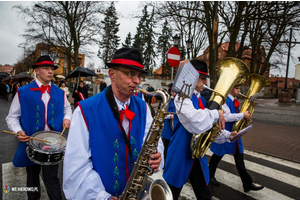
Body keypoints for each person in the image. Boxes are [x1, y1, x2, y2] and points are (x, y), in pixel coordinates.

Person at [63, 47, 164, 200]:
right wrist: (101, 197)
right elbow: (76, 167)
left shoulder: (143, 107)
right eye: (130, 74)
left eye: (139, 75)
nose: (137, 81)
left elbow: (153, 141)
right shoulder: (84, 110)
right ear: (112, 74)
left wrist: (157, 155)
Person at [163, 59, 238, 200]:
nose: (205, 82)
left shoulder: (203, 101)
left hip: (197, 155)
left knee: (205, 195)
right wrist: (217, 114)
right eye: (202, 78)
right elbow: (195, 122)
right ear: (193, 77)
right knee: (172, 194)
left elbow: (208, 130)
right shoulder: (181, 98)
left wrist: (228, 135)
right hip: (181, 153)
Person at [5, 55, 72, 200]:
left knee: (52, 179)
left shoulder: (60, 92)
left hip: (53, 142)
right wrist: (19, 131)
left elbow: (67, 109)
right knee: (32, 178)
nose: (50, 71)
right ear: (36, 70)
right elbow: (12, 117)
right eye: (46, 68)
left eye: (51, 69)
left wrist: (67, 118)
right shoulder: (23, 92)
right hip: (32, 142)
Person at [209, 85, 264, 192]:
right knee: (217, 156)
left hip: (234, 133)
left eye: (239, 88)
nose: (239, 91)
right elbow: (227, 117)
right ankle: (210, 176)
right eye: (236, 88)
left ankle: (247, 183)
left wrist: (244, 118)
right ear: (230, 89)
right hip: (224, 132)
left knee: (239, 159)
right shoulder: (224, 100)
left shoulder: (235, 101)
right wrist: (242, 115)